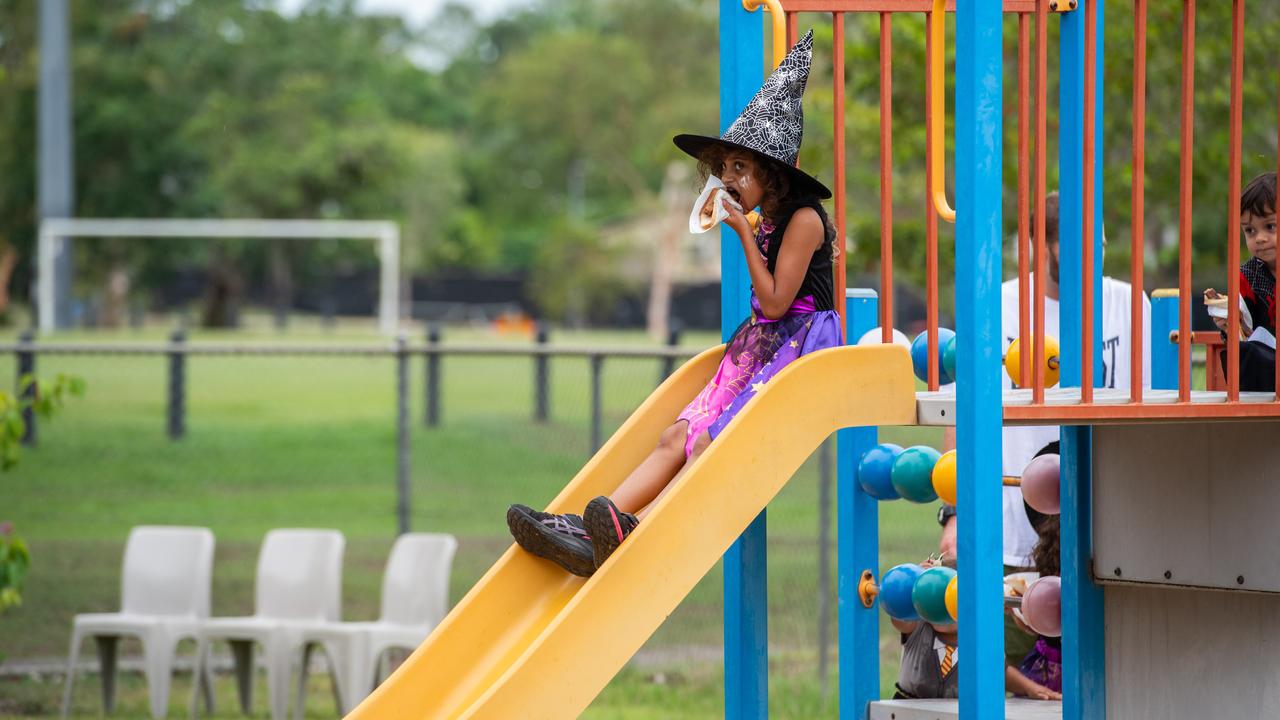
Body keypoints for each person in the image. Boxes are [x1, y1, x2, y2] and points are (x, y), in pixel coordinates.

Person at [506, 31, 842, 577]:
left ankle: (643, 530)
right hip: (762, 343)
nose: (726, 179)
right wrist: (748, 227)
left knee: (711, 442)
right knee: (676, 436)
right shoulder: (771, 219)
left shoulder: (802, 220)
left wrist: (740, 233)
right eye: (724, 168)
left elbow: (779, 302)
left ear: (772, 173)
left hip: (799, 343)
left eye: (739, 168)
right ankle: (598, 526)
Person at [939, 191, 1152, 665]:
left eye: (1097, 244)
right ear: (1041, 245)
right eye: (1071, 246)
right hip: (1010, 533)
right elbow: (960, 410)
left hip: (1106, 531)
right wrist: (953, 512)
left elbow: (1146, 421)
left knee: (1103, 674)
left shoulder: (1128, 305)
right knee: (1005, 676)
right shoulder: (998, 305)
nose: (1089, 258)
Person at [1204, 172, 1277, 391]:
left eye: (1270, 226)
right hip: (1268, 377)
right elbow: (1248, 335)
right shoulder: (1247, 276)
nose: (1259, 238)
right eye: (1250, 230)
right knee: (1245, 354)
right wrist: (1230, 324)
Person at [892, 555, 960, 700]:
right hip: (909, 707)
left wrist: (1022, 687)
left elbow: (1001, 670)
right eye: (934, 599)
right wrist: (913, 583)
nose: (938, 609)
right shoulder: (917, 624)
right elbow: (898, 616)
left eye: (947, 601)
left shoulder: (978, 636)